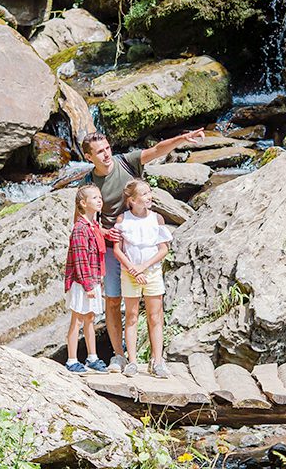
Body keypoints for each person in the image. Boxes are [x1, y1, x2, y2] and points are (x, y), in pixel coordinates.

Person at [81, 128, 204, 373]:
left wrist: (180, 139)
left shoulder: (126, 163)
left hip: (142, 245)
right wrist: (103, 234)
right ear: (88, 157)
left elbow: (156, 151)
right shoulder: (88, 183)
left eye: (107, 148)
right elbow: (83, 219)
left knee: (151, 305)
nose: (106, 155)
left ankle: (156, 360)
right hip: (112, 247)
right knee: (114, 302)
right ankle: (119, 356)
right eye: (99, 152)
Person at [114, 179, 174, 378]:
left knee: (155, 317)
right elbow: (117, 250)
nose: (150, 197)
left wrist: (143, 268)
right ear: (132, 200)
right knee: (131, 316)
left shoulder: (157, 219)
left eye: (150, 193)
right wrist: (133, 270)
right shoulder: (123, 220)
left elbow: (163, 249)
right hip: (130, 273)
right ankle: (132, 362)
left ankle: (158, 361)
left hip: (151, 272)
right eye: (145, 194)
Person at [62, 185, 110, 374]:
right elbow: (80, 259)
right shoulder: (80, 228)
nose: (100, 200)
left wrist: (97, 281)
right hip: (82, 282)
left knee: (90, 318)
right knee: (77, 319)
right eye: (95, 198)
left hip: (93, 279)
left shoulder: (94, 226)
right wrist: (88, 285)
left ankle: (92, 357)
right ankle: (71, 359)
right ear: (83, 203)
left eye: (100, 197)